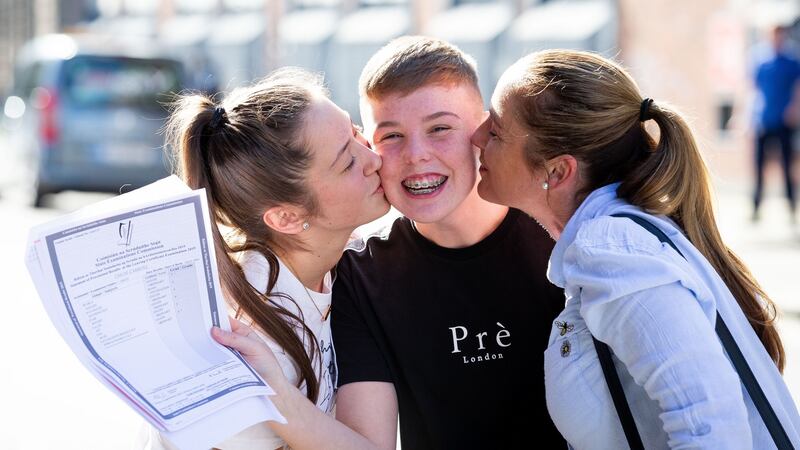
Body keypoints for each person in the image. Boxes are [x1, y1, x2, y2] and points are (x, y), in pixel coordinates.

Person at [471, 48, 800, 448]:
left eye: (495, 131)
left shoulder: (612, 253)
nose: (476, 136)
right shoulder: (616, 240)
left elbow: (711, 428)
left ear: (557, 170)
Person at [328, 36, 566, 449]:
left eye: (440, 128)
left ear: (485, 132)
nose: (416, 155)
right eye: (391, 137)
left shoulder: (560, 236)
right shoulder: (360, 275)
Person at [141, 68, 392, 449]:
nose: (372, 157)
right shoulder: (245, 337)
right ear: (287, 217)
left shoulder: (339, 266)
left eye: (355, 131)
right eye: (347, 162)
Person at [752, 24, 800, 222]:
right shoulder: (761, 62)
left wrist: (795, 109)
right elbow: (753, 91)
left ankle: (791, 207)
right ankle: (756, 207)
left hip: (784, 121)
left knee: (788, 165)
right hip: (764, 120)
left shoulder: (792, 61)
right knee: (759, 166)